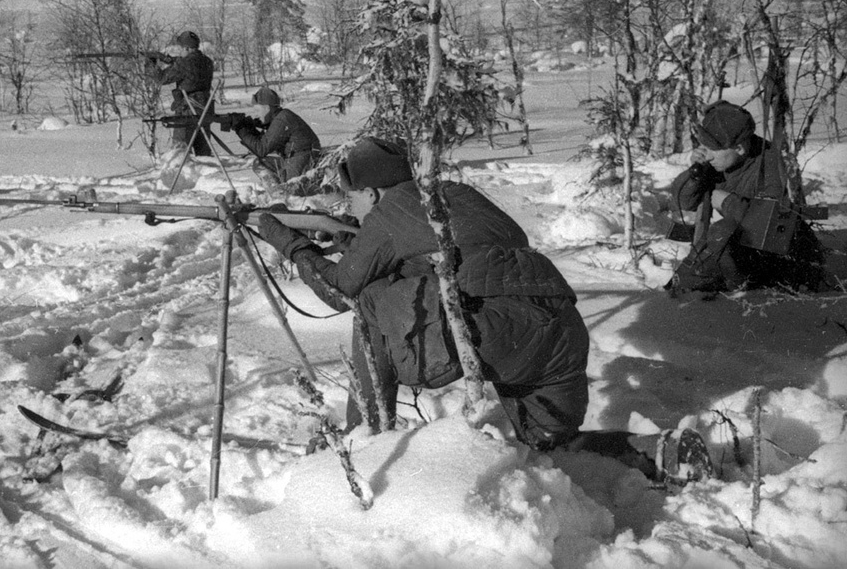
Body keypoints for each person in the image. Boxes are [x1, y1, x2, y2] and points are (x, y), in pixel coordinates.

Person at [256, 137, 713, 484]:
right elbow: (461, 244)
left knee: (370, 304)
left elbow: (340, 290)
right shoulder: (455, 193)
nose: (346, 206)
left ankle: (366, 442)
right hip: (556, 323)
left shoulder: (386, 213)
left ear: (372, 193)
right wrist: (357, 243)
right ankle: (655, 450)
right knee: (551, 444)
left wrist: (286, 240)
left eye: (350, 197)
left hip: (487, 327)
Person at [667, 100, 825, 294]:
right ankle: (685, 291)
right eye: (703, 147)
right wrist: (695, 176)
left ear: (740, 148)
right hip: (745, 247)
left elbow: (771, 224)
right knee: (719, 242)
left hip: (784, 259)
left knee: (722, 233)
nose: (706, 156)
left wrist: (727, 202)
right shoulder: (717, 161)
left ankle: (735, 296)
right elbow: (683, 203)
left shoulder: (769, 162)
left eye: (712, 149)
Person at [232, 87, 322, 185]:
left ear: (267, 108)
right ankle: (277, 188)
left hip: (301, 160)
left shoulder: (282, 120)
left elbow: (261, 149)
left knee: (292, 190)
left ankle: (279, 194)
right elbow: (265, 141)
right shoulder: (282, 116)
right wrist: (250, 129)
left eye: (257, 110)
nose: (256, 114)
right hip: (293, 158)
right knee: (260, 163)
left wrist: (242, 130)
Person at [147, 30, 214, 156]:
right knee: (203, 155)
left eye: (181, 49)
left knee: (180, 154)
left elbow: (161, 79)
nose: (179, 51)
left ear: (187, 48)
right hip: (205, 110)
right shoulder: (207, 61)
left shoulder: (183, 63)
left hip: (187, 112)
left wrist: (151, 62)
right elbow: (193, 68)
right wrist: (172, 60)